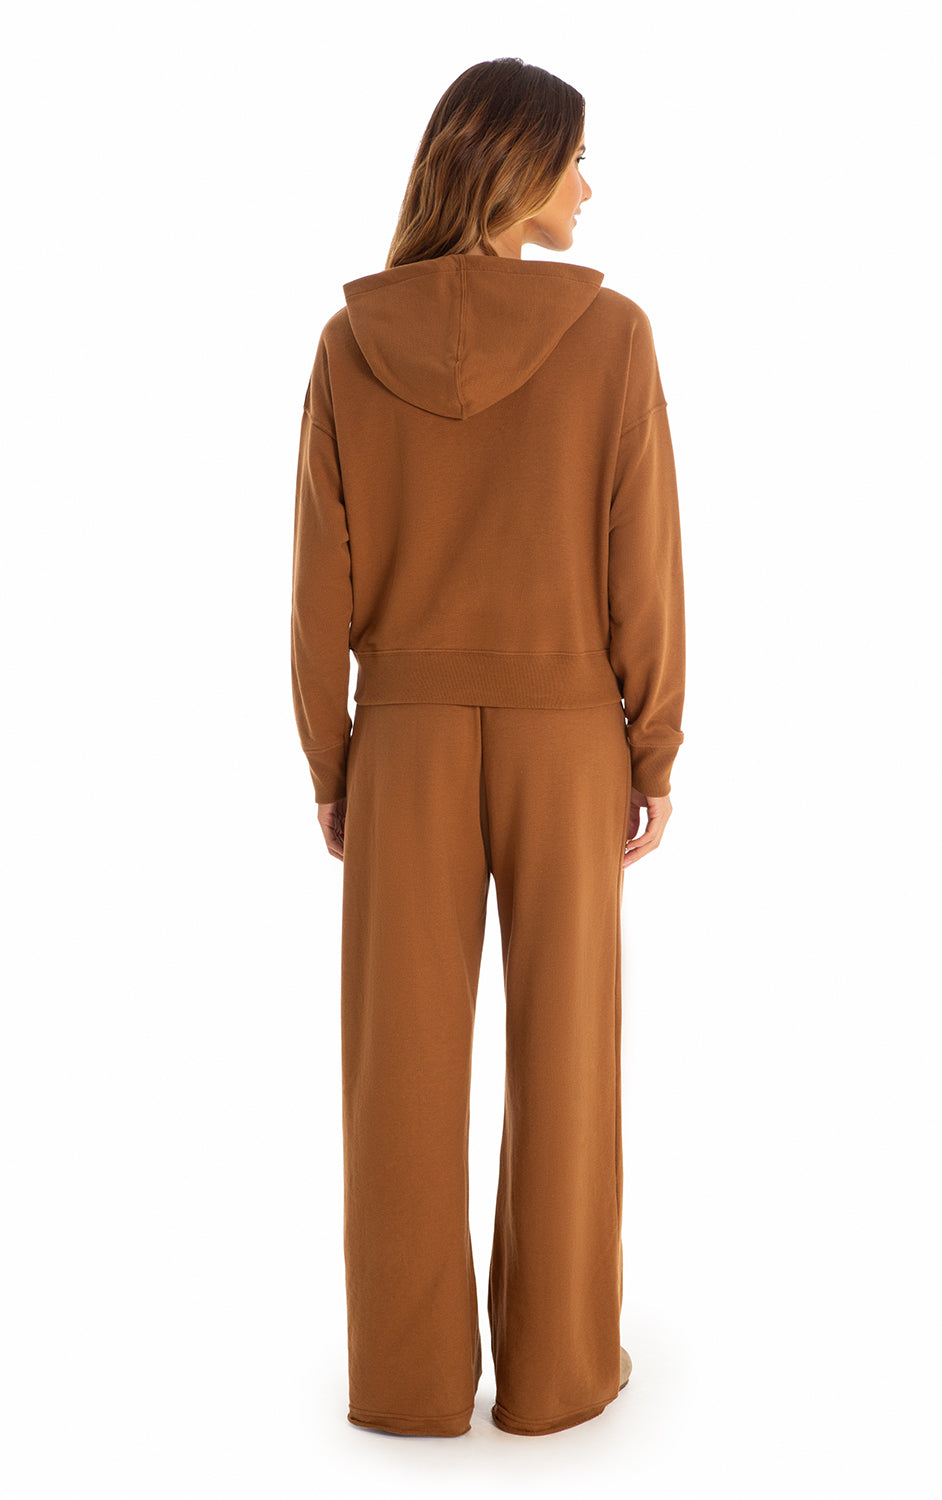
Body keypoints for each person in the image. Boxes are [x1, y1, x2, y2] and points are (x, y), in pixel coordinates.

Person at [290, 56, 686, 1439]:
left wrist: (333, 763)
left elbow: (318, 587)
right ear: (513, 169)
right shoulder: (612, 336)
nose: (589, 187)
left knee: (394, 1069)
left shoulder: (351, 344)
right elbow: (643, 567)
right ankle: (559, 1374)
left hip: (401, 741)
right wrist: (655, 747)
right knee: (569, 1054)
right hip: (569, 738)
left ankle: (405, 1384)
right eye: (574, 159)